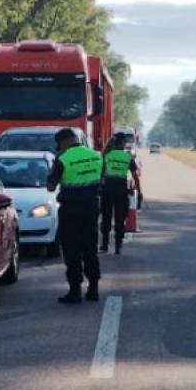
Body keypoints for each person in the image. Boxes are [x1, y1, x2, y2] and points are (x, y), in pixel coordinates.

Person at [47, 128, 103, 304]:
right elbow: (102, 180)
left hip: (71, 209)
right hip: (92, 207)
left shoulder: (63, 158)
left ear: (63, 142)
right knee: (90, 247)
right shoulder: (96, 155)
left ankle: (75, 291)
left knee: (72, 250)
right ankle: (93, 290)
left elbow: (50, 186)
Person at [100, 132, 142, 255]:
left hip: (107, 189)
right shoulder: (128, 157)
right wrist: (139, 192)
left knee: (106, 217)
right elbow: (135, 176)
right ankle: (118, 247)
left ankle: (104, 245)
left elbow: (101, 174)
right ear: (123, 143)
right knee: (120, 220)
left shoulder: (106, 155)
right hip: (121, 190)